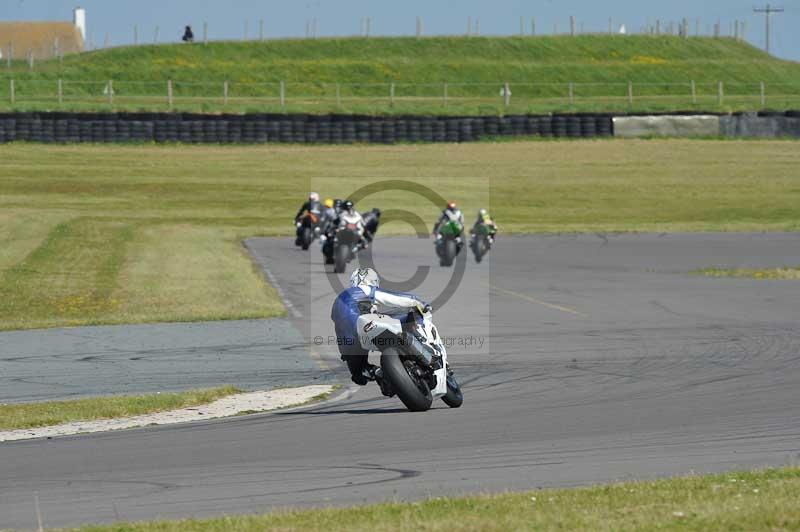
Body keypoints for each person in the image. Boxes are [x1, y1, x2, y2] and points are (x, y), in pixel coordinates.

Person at [331, 267, 431, 386]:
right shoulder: (363, 289)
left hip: (346, 343)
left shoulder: (339, 301)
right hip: (364, 325)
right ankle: (425, 343)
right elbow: (395, 298)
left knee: (359, 375)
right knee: (413, 316)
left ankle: (381, 374)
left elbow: (340, 321)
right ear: (373, 281)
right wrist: (418, 302)